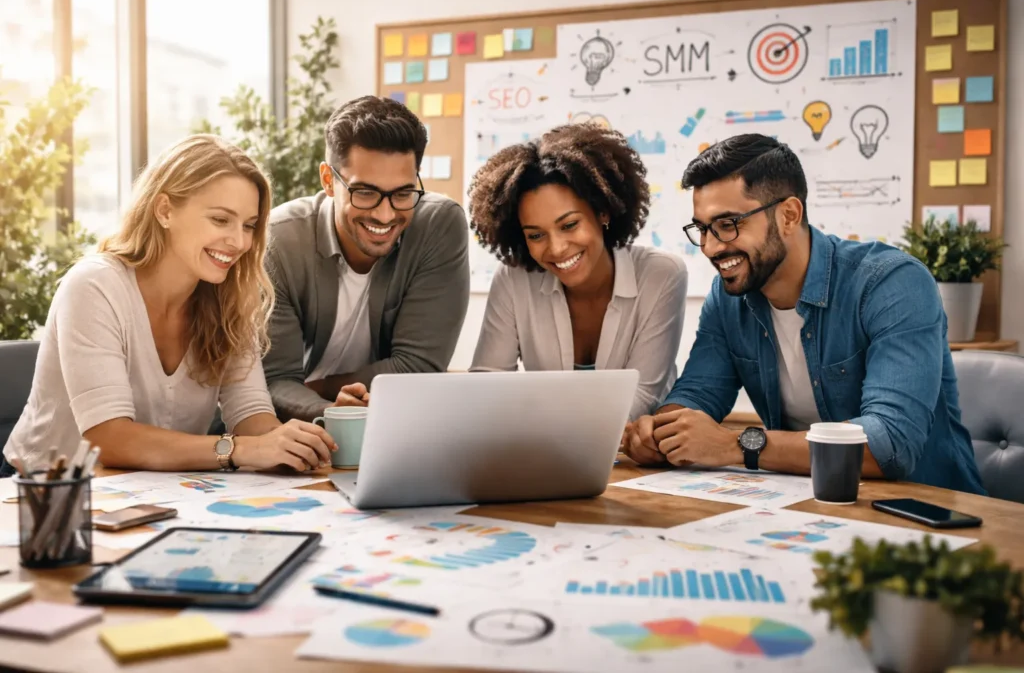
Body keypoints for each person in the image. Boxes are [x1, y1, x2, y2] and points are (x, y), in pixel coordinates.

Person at [623, 133, 986, 495]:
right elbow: (699, 392)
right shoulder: (730, 295)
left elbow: (889, 443)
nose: (711, 247)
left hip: (925, 512)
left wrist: (738, 445)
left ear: (789, 215)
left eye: (728, 224)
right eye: (702, 229)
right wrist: (659, 434)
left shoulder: (891, 283)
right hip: (802, 506)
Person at [2, 135, 337, 476]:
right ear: (164, 210)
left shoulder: (229, 297)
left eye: (249, 225)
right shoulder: (94, 286)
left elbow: (250, 412)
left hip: (155, 493)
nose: (239, 242)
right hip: (46, 496)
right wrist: (241, 449)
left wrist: (287, 443)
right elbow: (110, 438)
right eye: (221, 220)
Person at [262, 96, 470, 421]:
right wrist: (332, 412)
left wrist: (317, 387)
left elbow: (418, 367)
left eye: (403, 193)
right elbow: (274, 382)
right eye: (365, 192)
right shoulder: (280, 239)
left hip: (392, 422)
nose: (385, 215)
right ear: (329, 180)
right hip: (292, 428)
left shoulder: (439, 226)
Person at [467, 123, 688, 422]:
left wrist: (535, 418)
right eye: (535, 235)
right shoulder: (513, 279)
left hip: (636, 456)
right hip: (544, 451)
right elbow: (486, 385)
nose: (556, 249)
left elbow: (641, 397)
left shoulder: (661, 274)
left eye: (569, 225)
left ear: (603, 212)